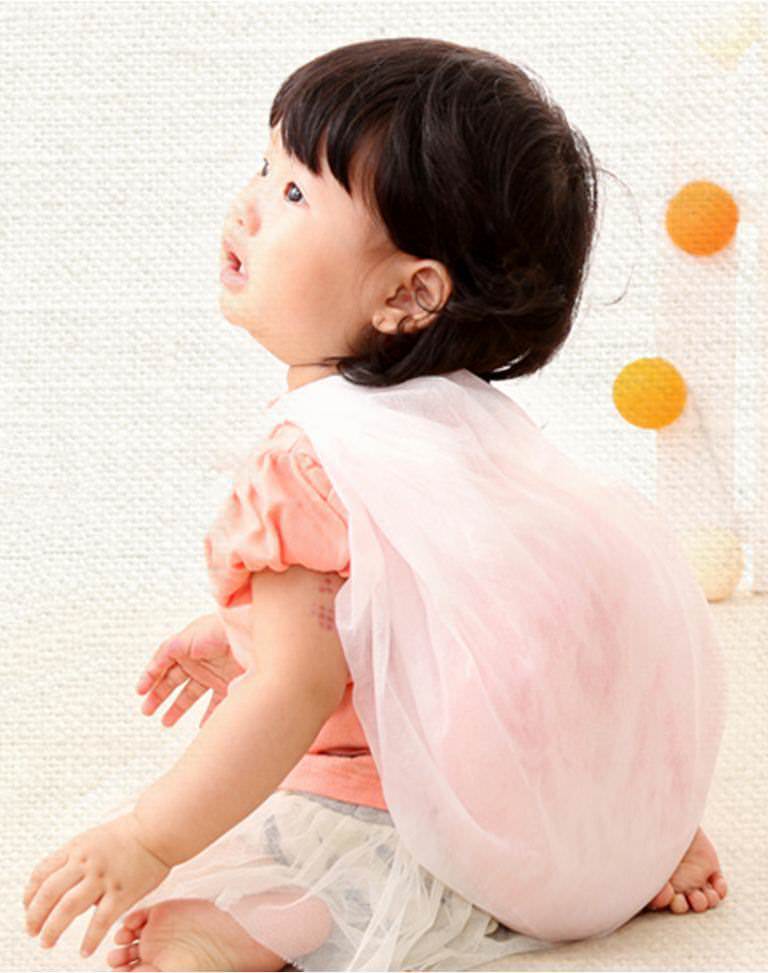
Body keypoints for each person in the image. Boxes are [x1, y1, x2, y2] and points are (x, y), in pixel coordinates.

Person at [22, 37, 728, 972]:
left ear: (409, 294)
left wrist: (147, 838)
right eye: (263, 168)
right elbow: (441, 603)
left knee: (329, 844)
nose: (248, 204)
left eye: (294, 193)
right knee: (527, 801)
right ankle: (625, 838)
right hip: (558, 783)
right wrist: (241, 630)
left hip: (417, 804)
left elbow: (294, 691)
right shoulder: (463, 419)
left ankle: (271, 925)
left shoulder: (300, 461)